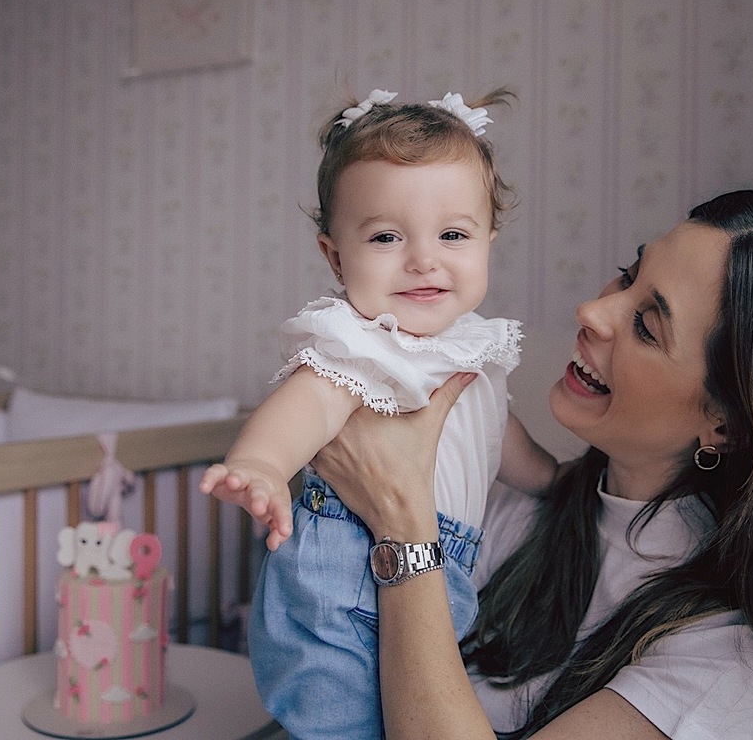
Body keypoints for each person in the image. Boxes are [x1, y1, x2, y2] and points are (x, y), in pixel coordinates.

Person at [311, 190, 753, 740]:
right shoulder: (525, 512)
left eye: (646, 326)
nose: (592, 311)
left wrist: (402, 525)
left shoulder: (731, 667)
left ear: (729, 424)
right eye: (626, 275)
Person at [199, 88, 556, 739]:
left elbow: (496, 436)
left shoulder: (474, 346)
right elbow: (310, 400)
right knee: (341, 720)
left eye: (453, 234)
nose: (424, 259)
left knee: (407, 709)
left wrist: (554, 479)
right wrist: (263, 464)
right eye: (387, 237)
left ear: (489, 242)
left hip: (439, 566)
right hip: (347, 571)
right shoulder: (364, 340)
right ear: (336, 256)